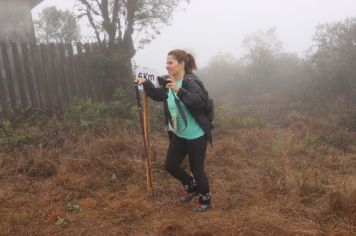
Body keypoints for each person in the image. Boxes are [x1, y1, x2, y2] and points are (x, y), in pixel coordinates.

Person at [135, 49, 212, 212]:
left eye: (170, 62)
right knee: (170, 165)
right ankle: (191, 186)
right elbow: (159, 95)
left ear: (182, 64)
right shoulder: (168, 81)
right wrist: (146, 84)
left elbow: (199, 102)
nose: (167, 66)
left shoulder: (191, 82)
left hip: (196, 135)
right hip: (179, 133)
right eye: (166, 62)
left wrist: (178, 90)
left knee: (197, 169)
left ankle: (205, 197)